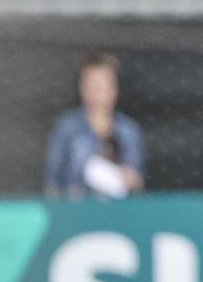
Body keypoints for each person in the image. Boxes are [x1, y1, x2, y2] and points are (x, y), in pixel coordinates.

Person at [44, 52, 145, 200]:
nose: (97, 91)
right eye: (91, 84)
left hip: (119, 214)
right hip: (77, 213)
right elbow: (53, 182)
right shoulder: (67, 128)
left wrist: (129, 180)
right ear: (82, 88)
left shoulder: (129, 130)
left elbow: (137, 182)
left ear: (114, 88)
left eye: (102, 84)